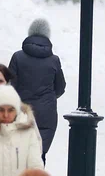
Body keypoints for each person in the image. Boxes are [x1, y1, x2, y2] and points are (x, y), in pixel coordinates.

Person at [8, 17, 66, 157]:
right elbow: (60, 87)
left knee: (19, 156)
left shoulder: (17, 57)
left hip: (21, 113)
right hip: (46, 115)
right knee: (39, 155)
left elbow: (9, 86)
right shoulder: (54, 60)